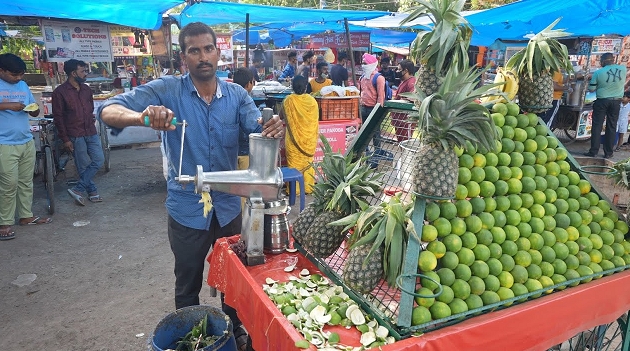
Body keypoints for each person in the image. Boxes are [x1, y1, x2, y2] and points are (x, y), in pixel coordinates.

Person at [98, 22, 284, 351]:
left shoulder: (237, 95)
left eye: (208, 49)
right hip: (186, 208)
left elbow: (256, 124)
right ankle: (190, 337)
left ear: (218, 52)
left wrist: (269, 127)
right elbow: (107, 110)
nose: (202, 56)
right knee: (187, 279)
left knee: (235, 278)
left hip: (227, 206)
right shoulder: (168, 91)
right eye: (194, 50)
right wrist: (142, 117)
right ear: (184, 57)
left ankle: (235, 329)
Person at [0, 53, 52, 240]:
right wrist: (7, 105)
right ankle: (4, 222)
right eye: (14, 74)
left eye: (21, 74)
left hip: (25, 140)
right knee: (8, 184)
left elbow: (32, 107)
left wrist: (34, 108)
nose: (19, 78)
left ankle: (26, 216)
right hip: (4, 143)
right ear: (2, 71)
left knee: (25, 181)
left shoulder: (22, 85)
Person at [52, 59, 105, 206]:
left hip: (90, 130)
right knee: (82, 165)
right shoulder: (59, 93)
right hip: (74, 133)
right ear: (73, 73)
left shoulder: (86, 89)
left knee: (98, 160)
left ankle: (79, 188)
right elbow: (58, 117)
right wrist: (65, 139)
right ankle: (92, 191)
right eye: (82, 71)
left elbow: (90, 108)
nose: (85, 74)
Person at [279, 75, 319, 194]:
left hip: (293, 141)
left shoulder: (288, 100)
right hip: (309, 140)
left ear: (292, 86)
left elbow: (280, 116)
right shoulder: (312, 101)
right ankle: (307, 188)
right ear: (306, 87)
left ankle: (294, 190)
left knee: (294, 164)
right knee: (307, 163)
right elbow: (314, 120)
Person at [584, 53, 627, 159]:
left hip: (602, 101)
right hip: (616, 102)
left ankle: (593, 151)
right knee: (612, 126)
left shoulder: (598, 73)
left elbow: (592, 89)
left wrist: (593, 81)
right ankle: (608, 153)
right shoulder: (623, 69)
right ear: (613, 60)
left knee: (597, 126)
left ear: (603, 61)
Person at [232, 67, 255, 205]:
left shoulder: (227, 100)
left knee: (233, 187)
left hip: (231, 153)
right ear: (248, 84)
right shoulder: (247, 103)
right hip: (245, 152)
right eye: (253, 82)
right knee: (245, 189)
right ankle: (242, 218)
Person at [359, 53, 386, 150]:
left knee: (376, 133)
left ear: (371, 64)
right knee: (363, 132)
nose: (363, 66)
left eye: (365, 63)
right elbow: (361, 92)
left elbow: (381, 97)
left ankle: (377, 154)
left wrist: (377, 111)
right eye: (362, 63)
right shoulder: (362, 78)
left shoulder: (379, 78)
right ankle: (364, 153)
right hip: (363, 108)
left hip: (373, 109)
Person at [391, 59, 417, 142]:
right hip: (399, 120)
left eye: (399, 69)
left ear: (406, 70)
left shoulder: (411, 82)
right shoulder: (404, 81)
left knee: (406, 143)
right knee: (401, 142)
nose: (397, 71)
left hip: (406, 121)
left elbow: (413, 98)